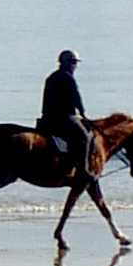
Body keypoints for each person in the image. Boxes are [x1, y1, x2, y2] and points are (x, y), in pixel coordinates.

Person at [38, 48, 92, 182]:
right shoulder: (67, 77)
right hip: (62, 117)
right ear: (66, 63)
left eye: (75, 63)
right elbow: (75, 97)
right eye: (73, 63)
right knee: (85, 137)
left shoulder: (52, 76)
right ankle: (84, 170)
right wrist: (83, 113)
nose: (75, 66)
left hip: (48, 117)